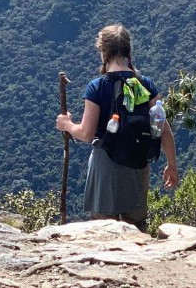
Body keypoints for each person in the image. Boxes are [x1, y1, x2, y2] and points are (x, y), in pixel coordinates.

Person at [55, 24, 178, 231]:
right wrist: (172, 165)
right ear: (128, 51)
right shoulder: (145, 85)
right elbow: (164, 129)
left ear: (103, 52)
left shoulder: (97, 86)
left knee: (103, 229)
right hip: (138, 165)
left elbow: (85, 133)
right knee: (137, 228)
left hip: (105, 166)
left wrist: (67, 124)